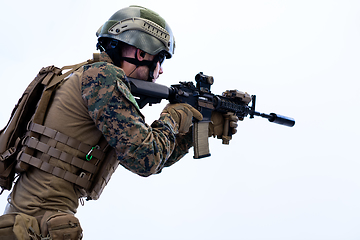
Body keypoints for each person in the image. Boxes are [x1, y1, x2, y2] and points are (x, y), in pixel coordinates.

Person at [0, 5, 239, 239]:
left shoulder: (87, 76)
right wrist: (173, 116)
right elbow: (146, 159)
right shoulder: (103, 78)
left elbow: (151, 159)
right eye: (161, 60)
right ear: (141, 53)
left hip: (31, 224)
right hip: (39, 227)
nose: (161, 71)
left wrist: (199, 130)